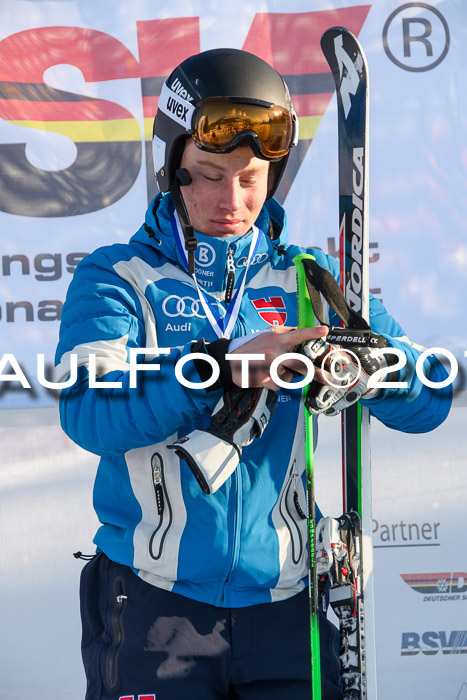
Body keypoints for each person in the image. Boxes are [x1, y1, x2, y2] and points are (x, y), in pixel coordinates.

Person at [55, 48, 451, 700]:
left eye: (250, 177)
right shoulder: (119, 278)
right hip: (155, 602)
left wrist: (368, 364)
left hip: (287, 606)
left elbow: (425, 403)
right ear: (170, 166)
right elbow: (91, 413)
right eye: (208, 175)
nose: (230, 200)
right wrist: (220, 366)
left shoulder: (312, 280)